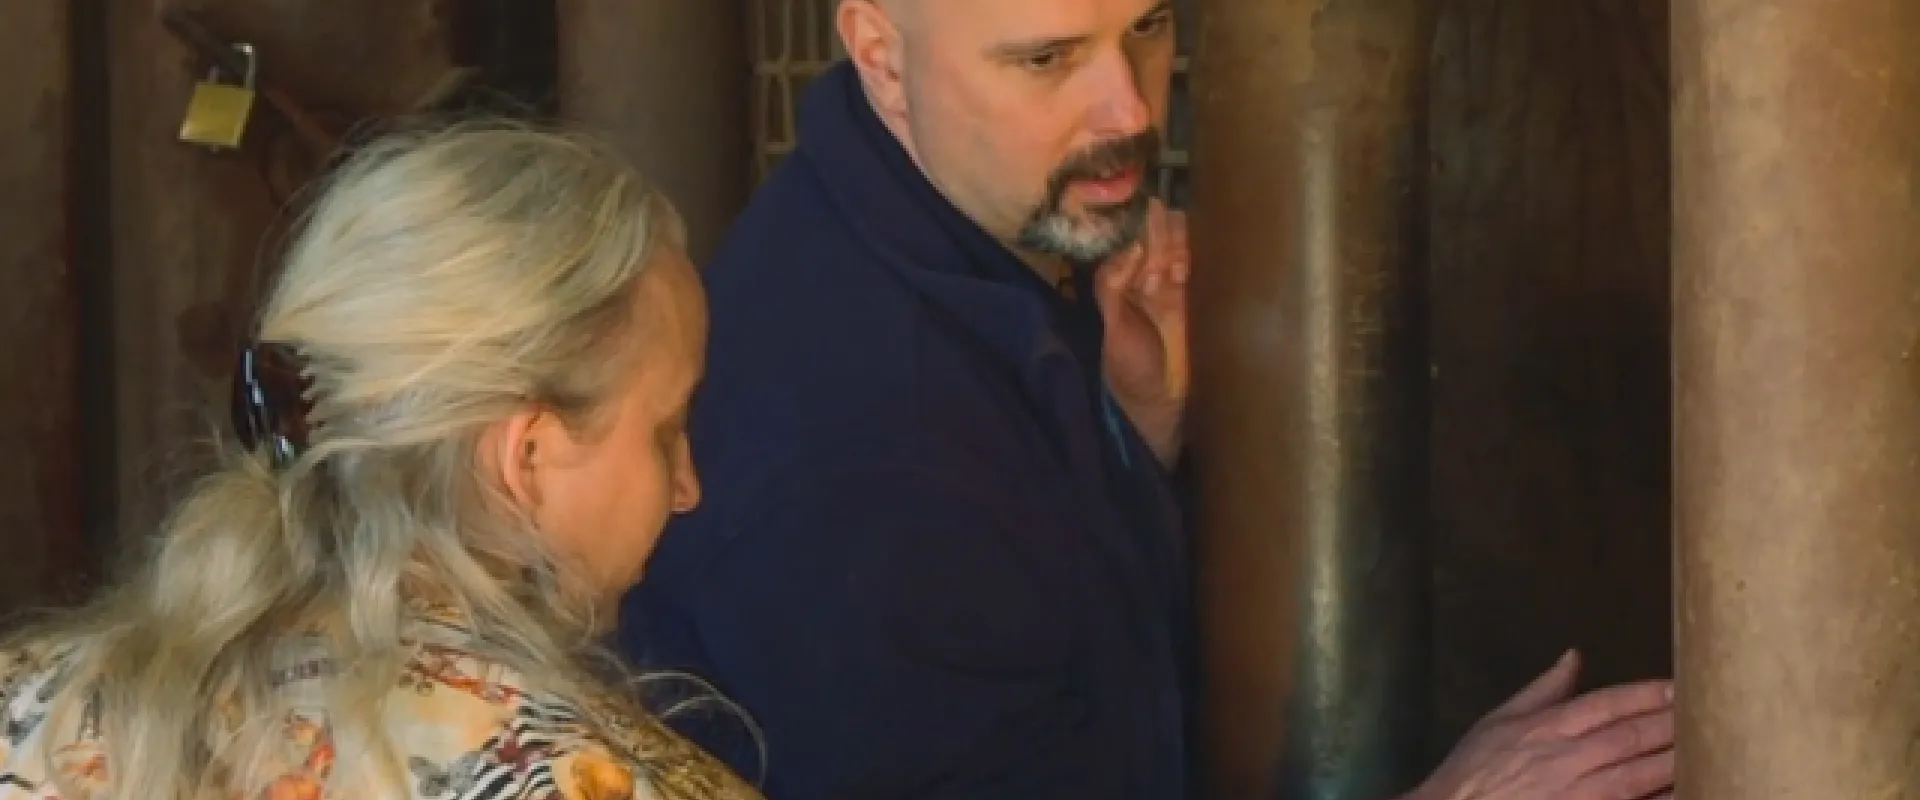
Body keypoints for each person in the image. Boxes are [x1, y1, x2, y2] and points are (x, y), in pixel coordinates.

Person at [619, 1, 1674, 798]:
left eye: (1151, 26)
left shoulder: (975, 255)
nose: (1130, 106)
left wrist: (1134, 439)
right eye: (1047, 59)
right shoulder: (857, 466)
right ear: (880, 51)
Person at [0, 120, 762, 800]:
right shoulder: (601, 783)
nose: (688, 487)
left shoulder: (25, 713)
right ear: (526, 458)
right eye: (666, 429)